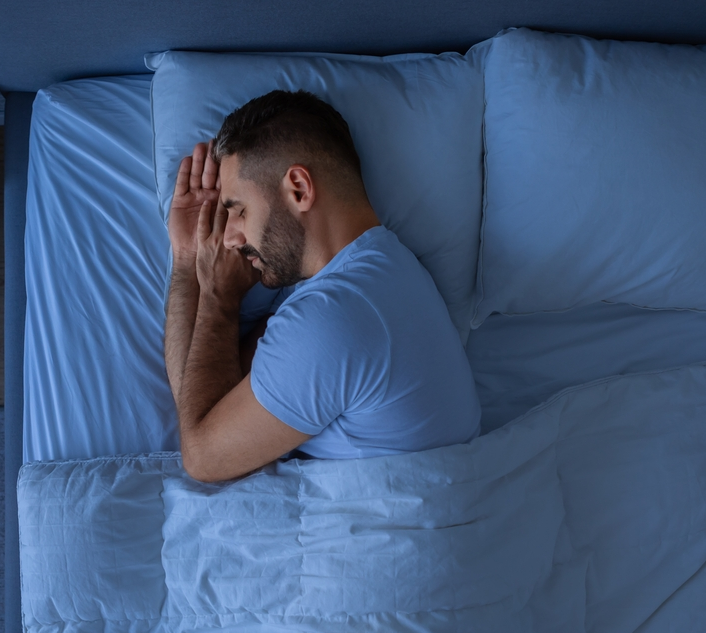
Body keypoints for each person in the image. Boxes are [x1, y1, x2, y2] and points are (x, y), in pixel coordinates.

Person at [164, 90, 480, 483]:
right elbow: (210, 399)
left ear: (298, 188)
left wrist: (218, 298)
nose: (228, 238)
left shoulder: (332, 321)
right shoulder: (388, 272)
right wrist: (188, 257)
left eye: (238, 210)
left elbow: (202, 455)